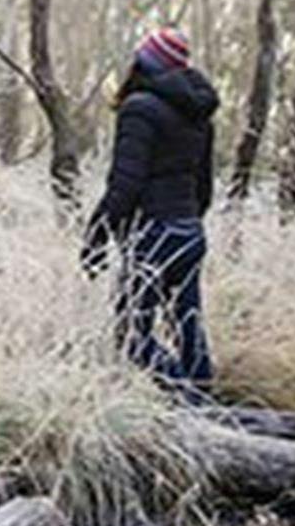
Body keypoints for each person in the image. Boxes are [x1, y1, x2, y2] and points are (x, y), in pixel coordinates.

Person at [81, 27, 220, 393]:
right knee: (188, 325)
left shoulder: (139, 109)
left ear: (144, 63)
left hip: (152, 232)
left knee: (131, 334)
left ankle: (191, 405)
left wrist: (96, 237)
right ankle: (207, 402)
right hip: (189, 230)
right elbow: (204, 186)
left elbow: (124, 185)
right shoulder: (200, 113)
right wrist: (187, 224)